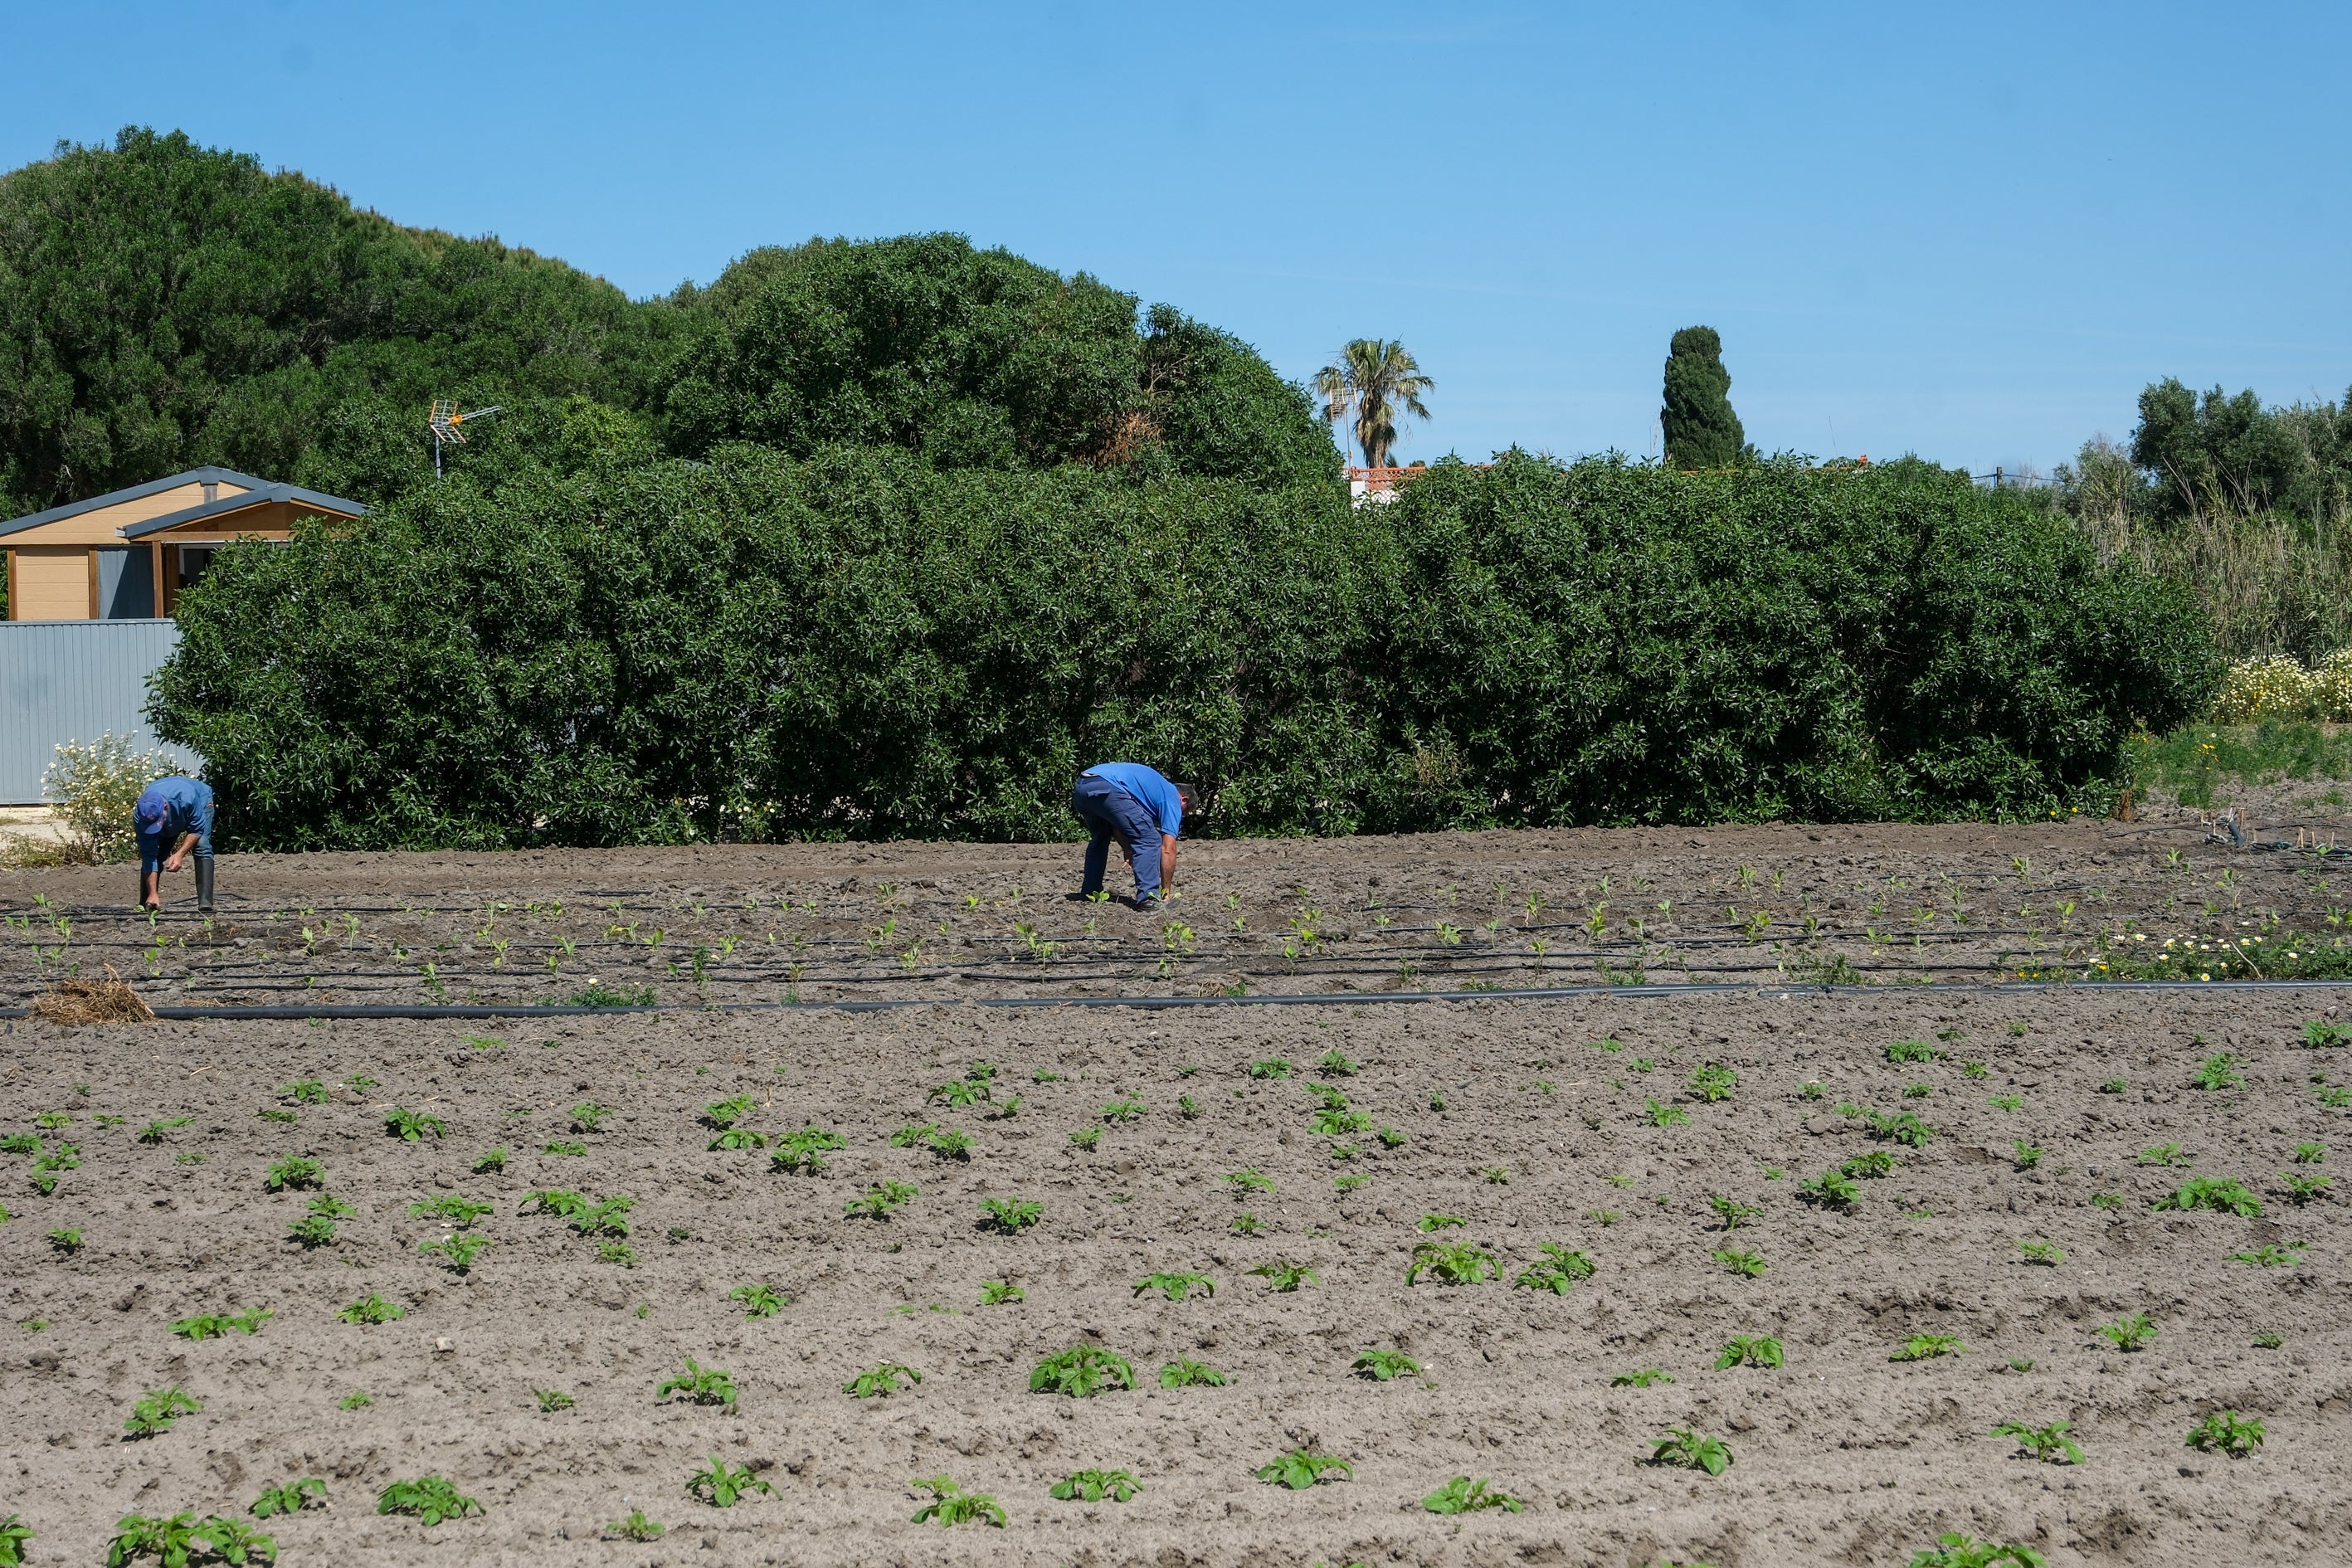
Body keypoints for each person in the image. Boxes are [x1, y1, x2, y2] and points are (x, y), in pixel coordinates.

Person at [1069, 762, 1192, 905]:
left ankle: (1090, 893)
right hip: (1108, 786)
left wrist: (1127, 848)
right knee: (1150, 839)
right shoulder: (1171, 797)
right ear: (1184, 800)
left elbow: (1117, 822)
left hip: (1083, 787)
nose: (1179, 816)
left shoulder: (1151, 789)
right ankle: (1149, 898)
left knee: (1100, 838)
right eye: (1184, 812)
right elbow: (1168, 849)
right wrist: (1167, 893)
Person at [134, 775, 216, 913]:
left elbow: (196, 830)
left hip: (200, 800)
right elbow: (148, 854)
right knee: (157, 853)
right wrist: (153, 892)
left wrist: (180, 854)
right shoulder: (141, 814)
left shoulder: (187, 798)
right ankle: (148, 900)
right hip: (173, 810)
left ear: (165, 807)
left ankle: (205, 903)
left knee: (202, 845)